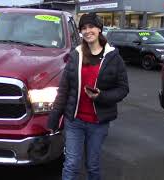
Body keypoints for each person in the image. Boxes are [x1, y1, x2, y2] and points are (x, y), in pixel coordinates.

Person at [47, 13, 129, 180]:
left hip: (98, 123)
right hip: (74, 121)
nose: (87, 31)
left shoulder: (114, 57)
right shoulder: (76, 55)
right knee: (71, 164)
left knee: (93, 164)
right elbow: (64, 89)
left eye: (91, 26)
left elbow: (123, 89)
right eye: (83, 28)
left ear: (99, 29)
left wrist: (102, 96)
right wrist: (54, 118)